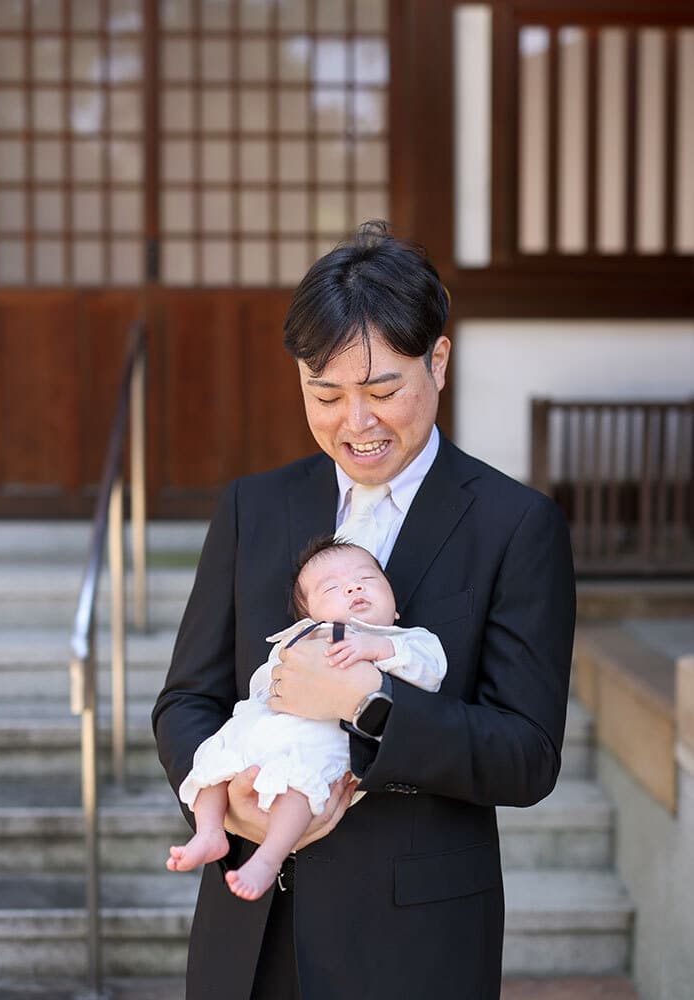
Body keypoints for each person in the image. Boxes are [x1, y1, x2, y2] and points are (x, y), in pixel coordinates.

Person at [152, 220, 576, 1000]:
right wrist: (232, 806)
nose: (358, 421)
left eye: (382, 390)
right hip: (250, 933)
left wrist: (369, 706)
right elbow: (187, 700)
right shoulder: (254, 506)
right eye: (326, 393)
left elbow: (527, 755)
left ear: (438, 361)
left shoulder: (516, 526)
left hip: (416, 940)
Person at [166, 537, 446, 902]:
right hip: (266, 725)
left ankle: (268, 857)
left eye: (368, 578)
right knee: (213, 760)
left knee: (297, 788)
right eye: (332, 587)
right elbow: (265, 680)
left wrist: (378, 649)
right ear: (310, 615)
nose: (353, 586)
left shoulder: (405, 640)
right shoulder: (299, 637)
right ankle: (208, 831)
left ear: (395, 609)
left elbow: (432, 671)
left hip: (320, 739)